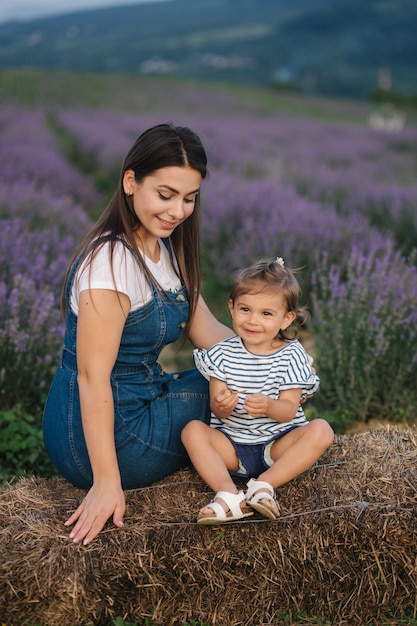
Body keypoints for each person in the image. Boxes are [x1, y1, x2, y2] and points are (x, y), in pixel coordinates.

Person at [42, 123, 234, 545]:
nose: (178, 211)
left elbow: (210, 333)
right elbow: (92, 378)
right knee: (231, 397)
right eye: (165, 195)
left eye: (189, 198)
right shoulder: (110, 263)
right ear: (130, 181)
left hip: (135, 401)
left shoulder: (165, 246)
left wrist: (270, 358)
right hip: (101, 434)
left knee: (239, 379)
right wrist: (107, 482)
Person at [181, 257, 334, 525]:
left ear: (286, 319)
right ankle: (228, 495)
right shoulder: (222, 353)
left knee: (322, 430)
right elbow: (217, 406)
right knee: (192, 430)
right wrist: (222, 404)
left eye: (266, 314)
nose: (253, 321)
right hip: (231, 445)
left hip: (277, 445)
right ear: (231, 307)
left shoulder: (291, 356)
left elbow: (288, 410)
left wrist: (268, 406)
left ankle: (263, 486)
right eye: (245, 309)